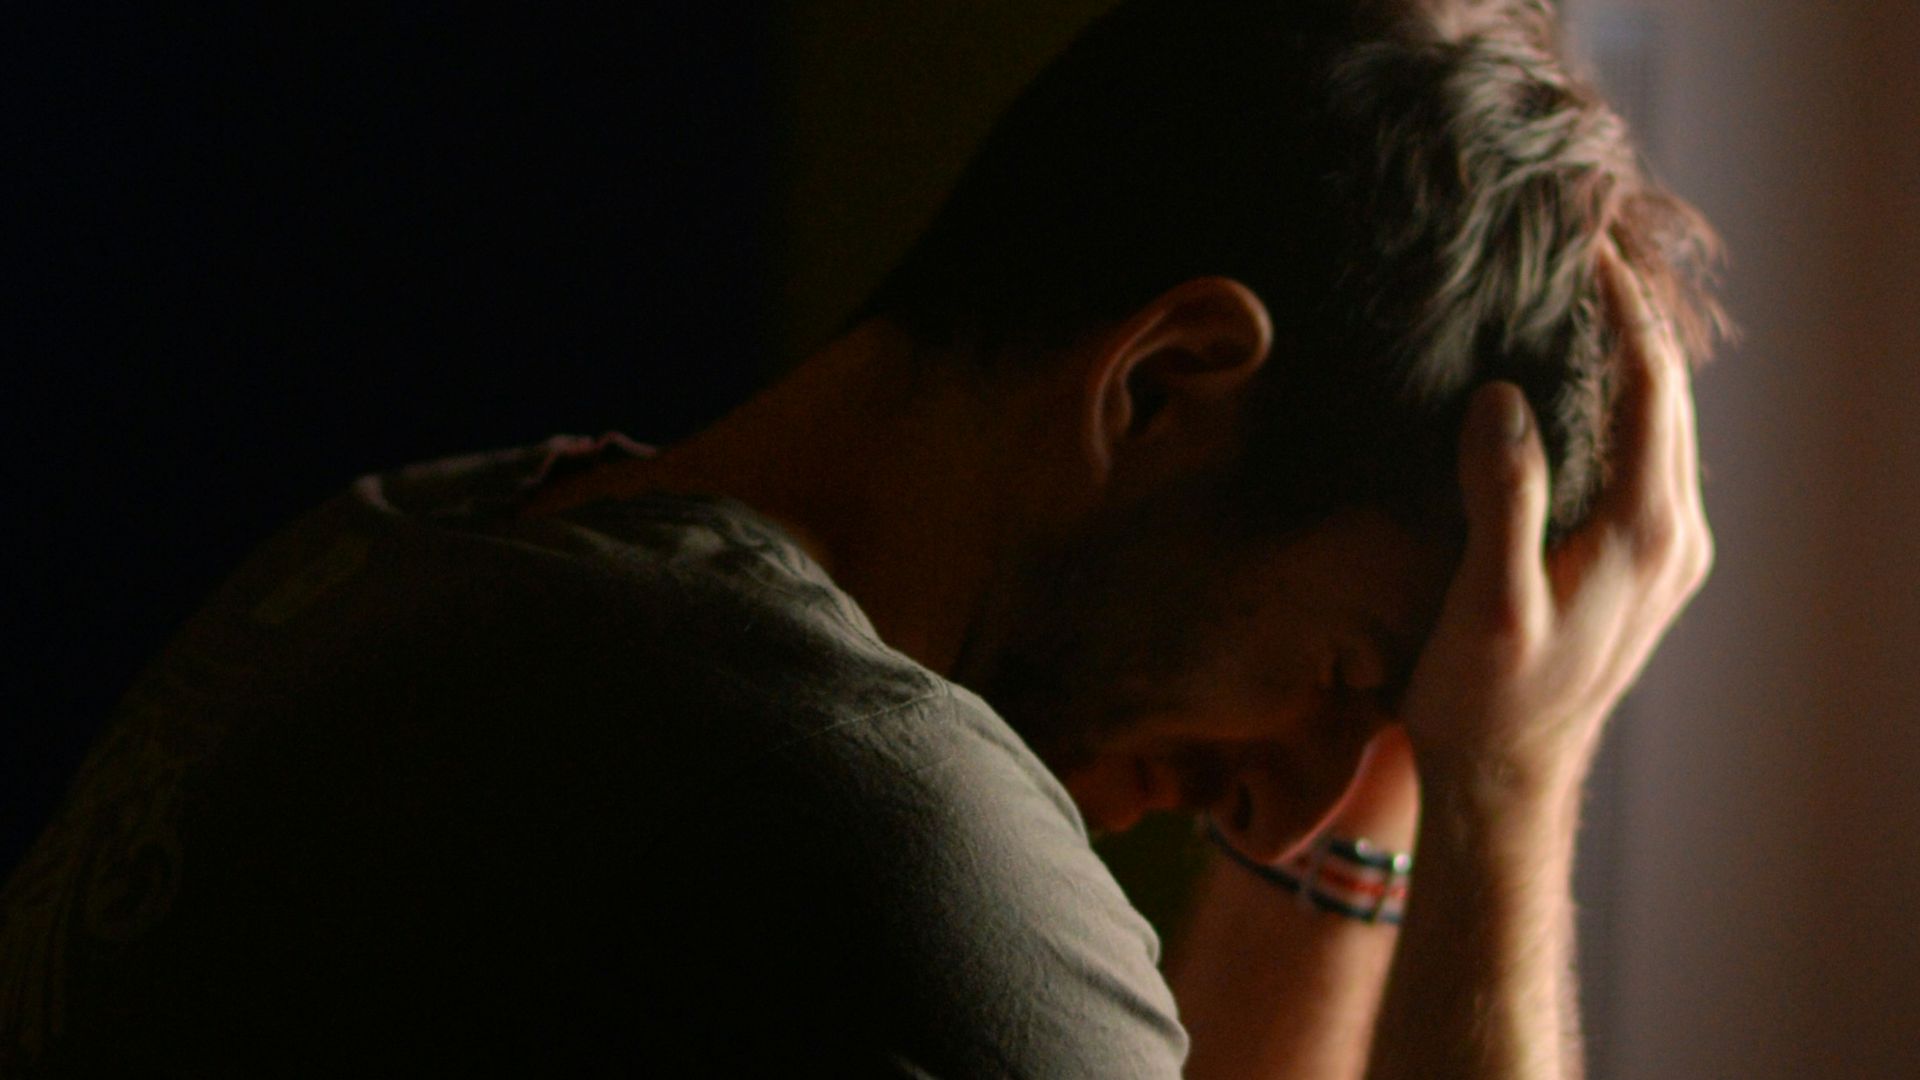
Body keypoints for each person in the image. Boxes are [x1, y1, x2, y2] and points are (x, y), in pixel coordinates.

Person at [1, 0, 1723, 1075]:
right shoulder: (870, 828)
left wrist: (1412, 773)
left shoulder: (424, 548)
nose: (1295, 801)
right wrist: (1515, 794)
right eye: (1347, 673)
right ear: (1166, 383)